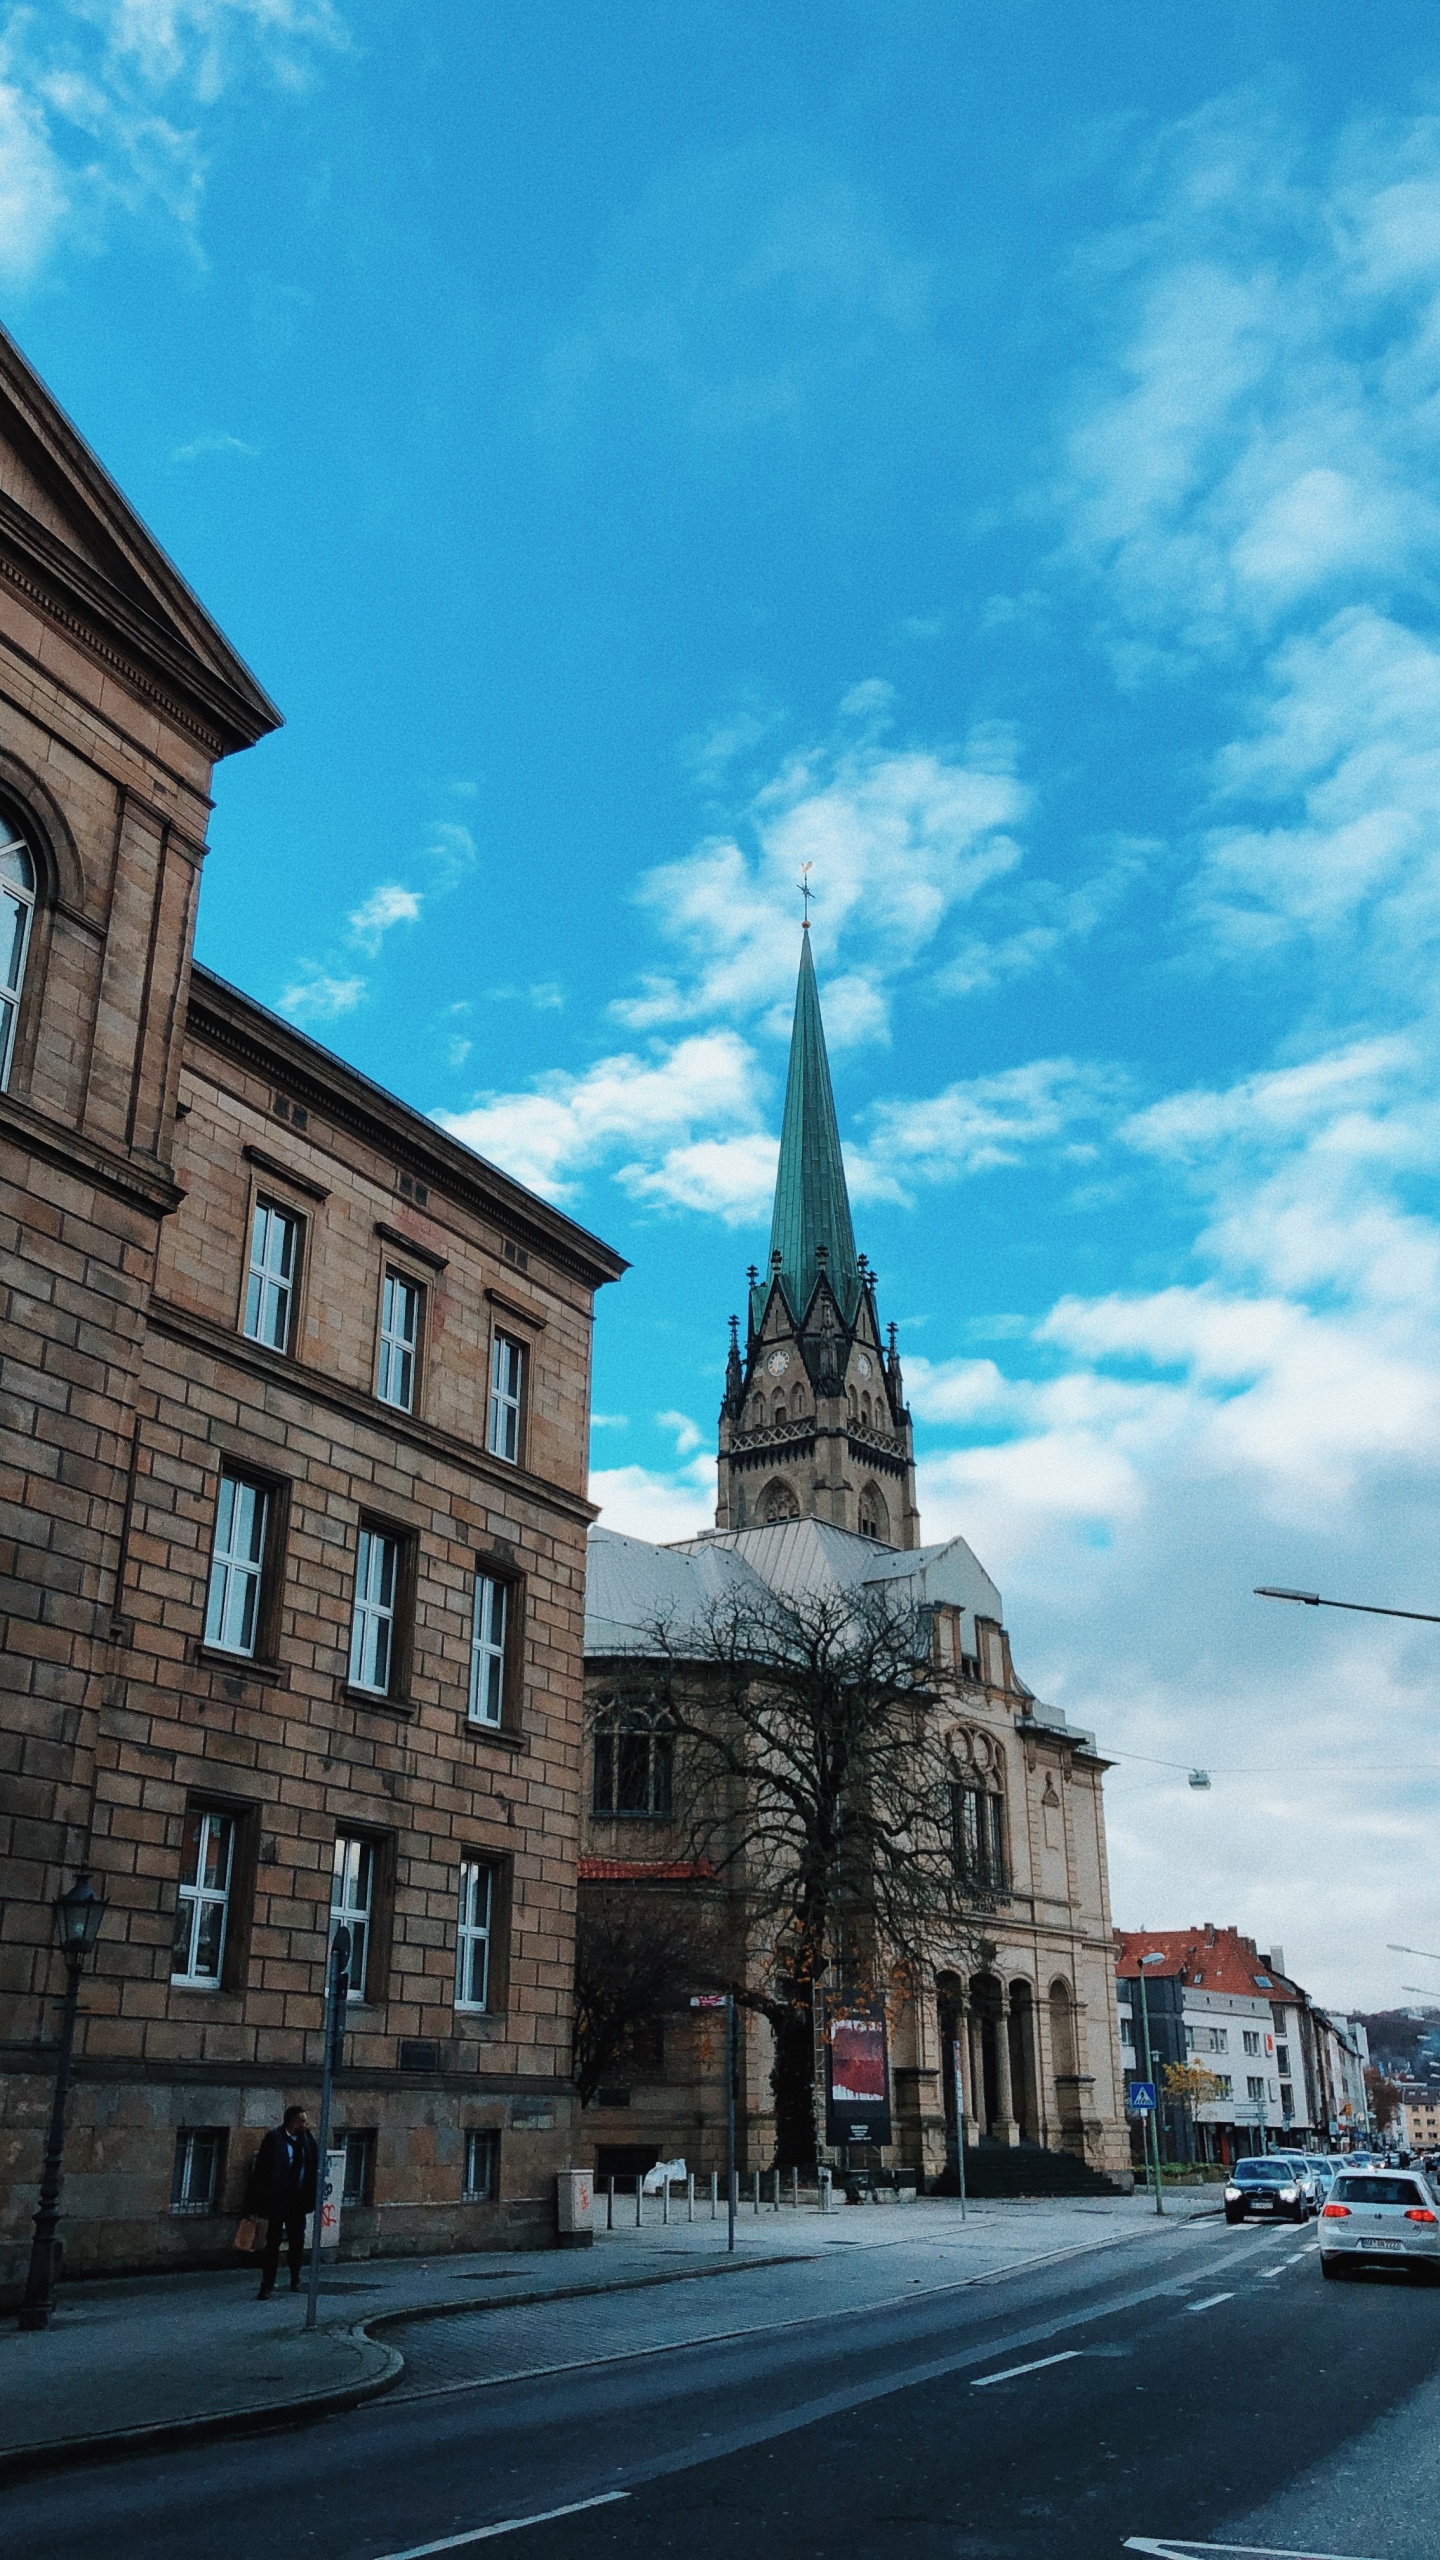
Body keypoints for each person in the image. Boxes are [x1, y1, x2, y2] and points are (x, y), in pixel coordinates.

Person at [248, 2104, 318, 2298]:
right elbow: (262, 2170)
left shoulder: (306, 2140)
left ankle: (295, 2278)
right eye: (302, 2120)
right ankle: (267, 2284)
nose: (305, 2124)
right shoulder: (274, 2139)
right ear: (292, 2121)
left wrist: (311, 2194)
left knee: (297, 2241)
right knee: (273, 2242)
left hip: (298, 2198)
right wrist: (255, 2201)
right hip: (277, 2198)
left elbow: (313, 2167)